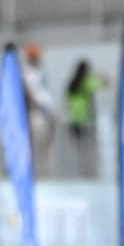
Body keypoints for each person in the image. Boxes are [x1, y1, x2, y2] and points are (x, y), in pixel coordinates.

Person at [65, 59, 107, 178]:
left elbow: (67, 103)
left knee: (79, 150)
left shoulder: (71, 84)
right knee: (90, 149)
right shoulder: (86, 82)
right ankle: (90, 173)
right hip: (86, 119)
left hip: (74, 120)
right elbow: (104, 82)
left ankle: (81, 172)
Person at [22, 45, 57, 179]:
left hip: (45, 113)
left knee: (47, 146)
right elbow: (31, 95)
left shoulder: (39, 72)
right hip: (36, 114)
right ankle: (37, 174)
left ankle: (46, 173)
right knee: (37, 146)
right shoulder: (28, 74)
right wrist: (39, 108)